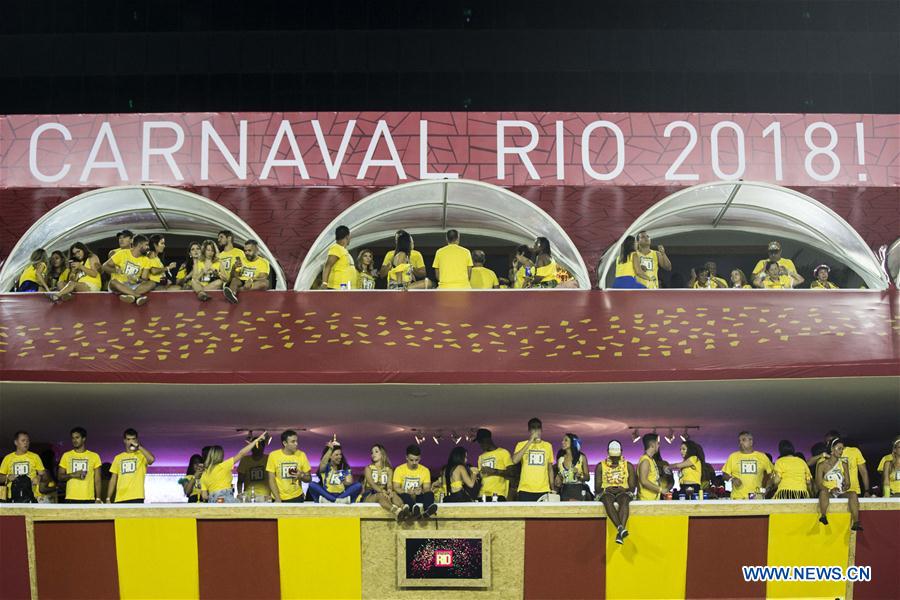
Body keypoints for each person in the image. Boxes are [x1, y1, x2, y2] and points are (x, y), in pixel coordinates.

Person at [200, 432, 268, 503]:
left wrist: (214, 498)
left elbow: (204, 496)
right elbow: (241, 454)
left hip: (212, 502)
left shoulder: (204, 474)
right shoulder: (223, 466)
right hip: (226, 499)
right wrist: (256, 441)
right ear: (220, 456)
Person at [595, 441, 637, 544]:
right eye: (613, 457)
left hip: (624, 492)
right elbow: (597, 488)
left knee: (625, 499)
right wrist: (606, 489)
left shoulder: (629, 466)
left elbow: (632, 488)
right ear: (608, 453)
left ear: (621, 453)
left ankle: (620, 531)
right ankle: (621, 529)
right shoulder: (600, 466)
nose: (614, 460)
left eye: (616, 457)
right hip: (606, 492)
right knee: (606, 499)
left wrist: (623, 489)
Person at [816, 438, 862, 531]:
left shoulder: (844, 463)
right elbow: (818, 483)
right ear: (832, 449)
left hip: (840, 491)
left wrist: (845, 486)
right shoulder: (822, 465)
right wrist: (830, 490)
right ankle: (823, 516)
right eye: (839, 448)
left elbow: (848, 483)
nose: (841, 451)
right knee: (823, 492)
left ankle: (856, 522)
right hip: (828, 491)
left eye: (842, 449)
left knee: (853, 494)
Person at [809, 430, 869, 498]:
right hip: (831, 495)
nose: (827, 444)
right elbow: (809, 464)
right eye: (826, 442)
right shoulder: (826, 457)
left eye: (829, 441)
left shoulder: (854, 451)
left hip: (853, 491)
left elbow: (863, 472)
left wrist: (867, 491)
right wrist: (822, 455)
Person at [106, 429, 155, 503]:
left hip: (137, 496)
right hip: (120, 498)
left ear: (137, 440)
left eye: (133, 439)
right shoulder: (118, 457)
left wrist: (139, 447)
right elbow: (113, 479)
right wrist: (108, 498)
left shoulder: (141, 455)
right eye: (128, 439)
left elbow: (151, 460)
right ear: (124, 441)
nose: (131, 442)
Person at [511, 418, 555, 501]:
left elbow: (550, 469)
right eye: (533, 428)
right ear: (529, 430)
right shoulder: (521, 444)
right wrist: (530, 441)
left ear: (541, 429)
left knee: (543, 513)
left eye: (538, 427)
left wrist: (552, 488)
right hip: (525, 489)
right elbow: (514, 460)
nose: (536, 430)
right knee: (526, 514)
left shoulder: (548, 446)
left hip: (543, 489)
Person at [103, 234, 153, 305]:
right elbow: (104, 266)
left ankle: (128, 295)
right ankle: (137, 296)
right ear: (139, 245)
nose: (148, 247)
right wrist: (115, 270)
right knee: (113, 282)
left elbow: (144, 280)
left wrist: (136, 279)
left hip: (133, 285)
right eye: (146, 245)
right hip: (118, 285)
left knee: (152, 283)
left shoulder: (146, 260)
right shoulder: (122, 253)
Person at [362, 444, 409, 520]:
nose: (373, 454)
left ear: (382, 454)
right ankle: (396, 511)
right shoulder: (368, 468)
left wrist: (389, 490)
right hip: (369, 495)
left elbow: (389, 484)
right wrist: (382, 491)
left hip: (383, 493)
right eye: (372, 452)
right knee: (380, 495)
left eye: (376, 451)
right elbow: (372, 484)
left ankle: (404, 508)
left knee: (393, 493)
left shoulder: (388, 469)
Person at [307, 439, 362, 504]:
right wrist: (330, 449)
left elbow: (349, 483)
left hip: (342, 495)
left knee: (358, 485)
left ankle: (333, 501)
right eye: (336, 455)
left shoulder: (345, 468)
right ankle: (335, 500)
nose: (340, 457)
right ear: (330, 456)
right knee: (311, 484)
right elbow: (323, 463)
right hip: (327, 494)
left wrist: (344, 482)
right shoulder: (326, 467)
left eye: (340, 454)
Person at [721, 431, 773, 499]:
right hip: (737, 498)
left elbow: (773, 475)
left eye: (743, 440)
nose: (741, 443)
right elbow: (724, 474)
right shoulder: (733, 457)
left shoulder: (762, 456)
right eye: (739, 441)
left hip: (756, 499)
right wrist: (732, 479)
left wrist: (766, 489)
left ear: (751, 442)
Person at [58, 427, 102, 504]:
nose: (74, 440)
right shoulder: (66, 455)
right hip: (70, 498)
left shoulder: (94, 456)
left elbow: (97, 480)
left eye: (77, 437)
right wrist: (74, 474)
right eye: (73, 438)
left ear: (84, 438)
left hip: (89, 498)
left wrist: (98, 498)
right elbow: (60, 477)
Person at [392, 444, 438, 518]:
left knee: (429, 494)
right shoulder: (399, 469)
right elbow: (396, 488)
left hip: (418, 496)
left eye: (417, 460)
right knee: (405, 496)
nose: (414, 462)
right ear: (406, 457)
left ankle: (427, 511)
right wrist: (407, 491)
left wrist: (421, 490)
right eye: (411, 460)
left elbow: (427, 488)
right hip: (404, 496)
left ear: (420, 458)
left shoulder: (425, 470)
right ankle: (414, 509)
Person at [266, 430, 311, 503]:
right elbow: (271, 479)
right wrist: (277, 498)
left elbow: (309, 479)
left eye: (296, 441)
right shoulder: (273, 455)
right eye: (293, 442)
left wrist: (301, 475)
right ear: (285, 443)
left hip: (297, 497)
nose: (296, 444)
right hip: (278, 498)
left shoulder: (302, 455)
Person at [0, 431, 46, 500]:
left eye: (28, 441)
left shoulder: (35, 457)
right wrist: (7, 477)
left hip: (32, 496)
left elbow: (44, 475)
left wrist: (39, 477)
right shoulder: (8, 458)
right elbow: (0, 478)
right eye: (23, 440)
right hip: (13, 497)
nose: (26, 443)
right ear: (16, 442)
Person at [223, 239, 270, 304]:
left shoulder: (264, 262)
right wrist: (234, 268)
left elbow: (263, 277)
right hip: (241, 281)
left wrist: (251, 280)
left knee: (265, 283)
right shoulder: (241, 260)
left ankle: (237, 291)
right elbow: (235, 276)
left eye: (249, 250)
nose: (246, 253)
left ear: (256, 250)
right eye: (245, 251)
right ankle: (232, 294)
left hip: (253, 282)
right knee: (234, 280)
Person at [475, 429, 513, 502]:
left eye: (481, 442)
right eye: (479, 442)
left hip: (498, 494)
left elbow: (511, 473)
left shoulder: (503, 452)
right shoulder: (481, 457)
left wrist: (494, 471)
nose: (480, 444)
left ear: (488, 439)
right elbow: (481, 476)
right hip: (482, 494)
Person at [555, 433, 591, 500]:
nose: (562, 442)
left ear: (573, 443)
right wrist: (558, 480)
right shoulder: (560, 460)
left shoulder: (581, 458)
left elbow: (587, 477)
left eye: (566, 440)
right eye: (563, 440)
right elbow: (560, 478)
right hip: (565, 490)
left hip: (578, 490)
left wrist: (580, 476)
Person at [321, 225, 356, 290]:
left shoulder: (343, 250)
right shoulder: (336, 248)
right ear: (347, 236)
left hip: (345, 288)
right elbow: (327, 265)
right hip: (337, 288)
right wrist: (324, 283)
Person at [216, 230, 247, 300]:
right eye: (218, 238)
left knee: (235, 279)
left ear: (229, 238)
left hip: (234, 280)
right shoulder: (219, 256)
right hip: (222, 283)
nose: (218, 240)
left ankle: (231, 294)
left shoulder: (238, 253)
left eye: (221, 237)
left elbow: (240, 270)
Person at [237, 434, 269, 501]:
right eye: (255, 446)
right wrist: (240, 495)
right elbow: (240, 480)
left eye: (259, 446)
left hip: (266, 496)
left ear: (263, 447)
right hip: (249, 495)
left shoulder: (269, 459)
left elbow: (274, 478)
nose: (257, 448)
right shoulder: (245, 460)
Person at [637, 433, 668, 500]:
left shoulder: (651, 460)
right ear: (652, 445)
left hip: (652, 500)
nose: (659, 445)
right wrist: (660, 490)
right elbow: (644, 481)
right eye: (658, 443)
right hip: (646, 500)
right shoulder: (645, 461)